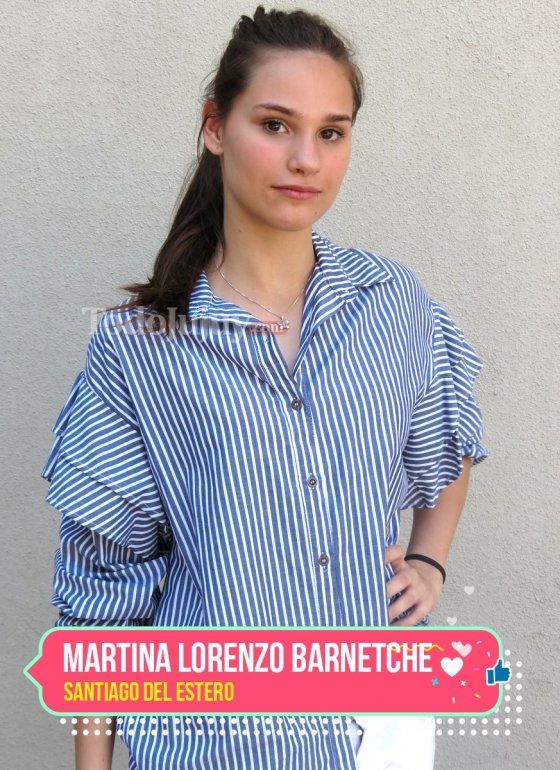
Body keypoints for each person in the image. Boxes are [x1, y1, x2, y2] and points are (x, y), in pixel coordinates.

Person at [41, 5, 490, 770]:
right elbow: (100, 597)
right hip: (212, 741)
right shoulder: (138, 349)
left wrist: (429, 563)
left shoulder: (393, 304)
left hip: (375, 733)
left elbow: (450, 435)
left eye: (331, 132)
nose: (305, 159)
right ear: (216, 127)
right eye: (276, 124)